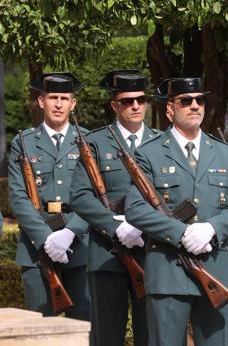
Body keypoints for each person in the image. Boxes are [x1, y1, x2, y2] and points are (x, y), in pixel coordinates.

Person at [124, 77, 228, 346]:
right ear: (170, 109)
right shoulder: (149, 153)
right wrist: (181, 233)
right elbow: (135, 209)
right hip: (168, 270)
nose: (194, 106)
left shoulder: (224, 153)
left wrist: (212, 229)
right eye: (186, 101)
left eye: (200, 100)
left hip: (215, 267)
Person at [69, 70, 157, 346]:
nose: (135, 106)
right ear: (114, 106)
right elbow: (80, 195)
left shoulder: (162, 141)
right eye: (127, 101)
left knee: (151, 332)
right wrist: (115, 226)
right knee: (106, 334)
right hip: (107, 251)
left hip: (151, 251)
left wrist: (143, 225)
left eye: (140, 100)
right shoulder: (95, 142)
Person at [9, 72, 90, 319]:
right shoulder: (23, 142)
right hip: (37, 251)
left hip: (80, 247)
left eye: (64, 98)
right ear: (41, 101)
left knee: (84, 329)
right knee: (40, 330)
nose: (58, 104)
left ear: (73, 104)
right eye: (52, 97)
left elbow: (95, 195)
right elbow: (18, 197)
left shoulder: (88, 140)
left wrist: (70, 232)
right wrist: (46, 239)